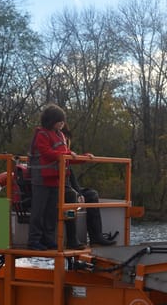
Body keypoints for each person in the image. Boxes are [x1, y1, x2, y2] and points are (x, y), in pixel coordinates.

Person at [27, 104, 85, 251]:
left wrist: (83, 158)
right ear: (51, 120)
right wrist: (66, 155)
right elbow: (46, 153)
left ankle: (49, 239)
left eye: (63, 121)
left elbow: (66, 155)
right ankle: (34, 240)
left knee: (51, 212)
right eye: (59, 120)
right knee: (39, 211)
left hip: (56, 179)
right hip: (41, 179)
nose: (62, 123)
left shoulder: (61, 135)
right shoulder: (42, 134)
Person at [62, 125, 117, 246]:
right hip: (54, 188)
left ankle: (96, 236)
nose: (66, 143)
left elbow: (70, 175)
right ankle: (72, 239)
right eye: (64, 140)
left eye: (67, 141)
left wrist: (79, 192)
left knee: (91, 195)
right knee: (71, 196)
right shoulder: (53, 149)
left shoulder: (65, 155)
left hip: (66, 186)